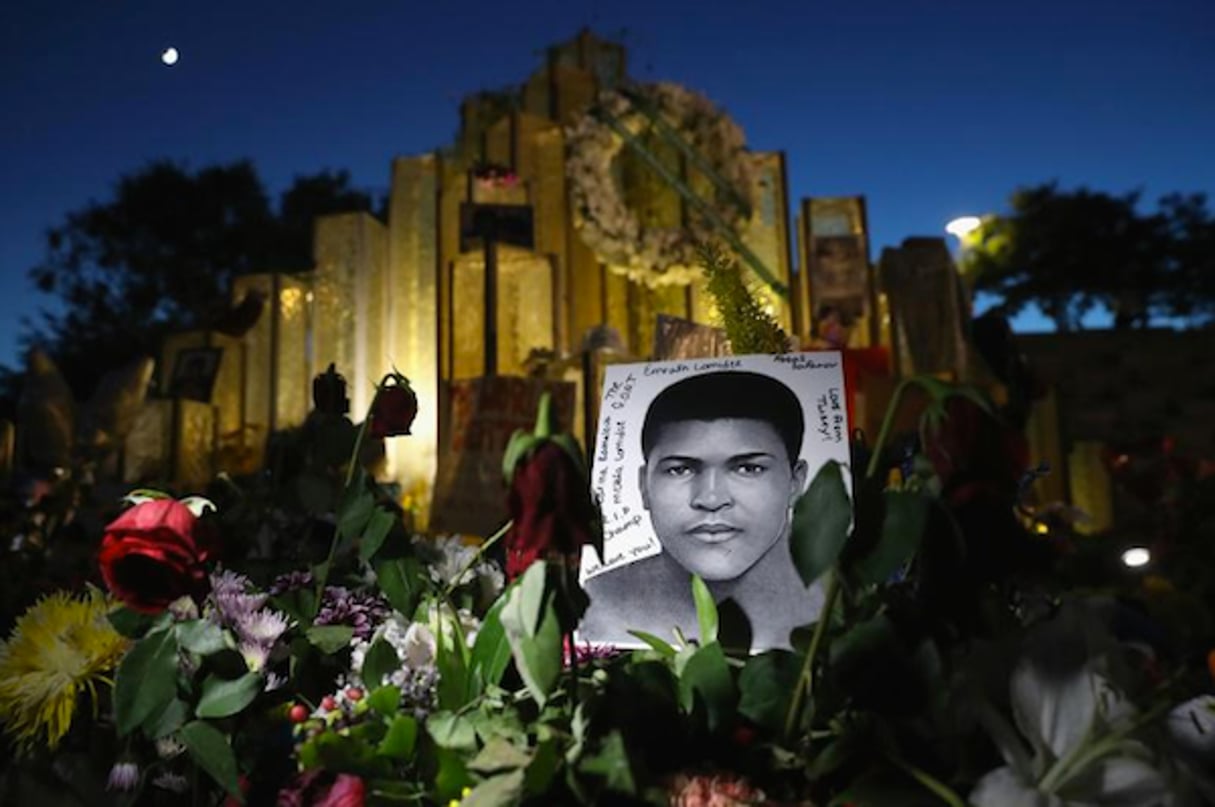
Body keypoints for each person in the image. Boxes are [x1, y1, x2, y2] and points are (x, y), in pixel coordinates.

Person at [580, 371, 823, 650]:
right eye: (680, 469)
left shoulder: (844, 604)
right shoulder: (594, 603)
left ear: (796, 482)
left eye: (748, 468)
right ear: (643, 486)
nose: (711, 498)